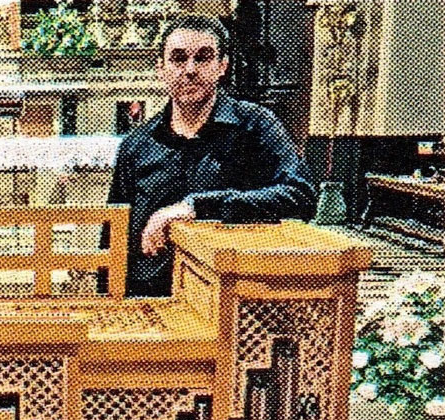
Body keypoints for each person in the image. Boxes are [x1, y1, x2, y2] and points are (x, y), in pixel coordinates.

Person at [109, 15, 317, 297]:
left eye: (203, 58)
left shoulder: (255, 125)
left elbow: (300, 196)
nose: (190, 69)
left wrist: (198, 208)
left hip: (234, 297)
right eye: (178, 58)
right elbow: (114, 237)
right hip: (152, 300)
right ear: (161, 68)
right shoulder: (136, 145)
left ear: (222, 66)